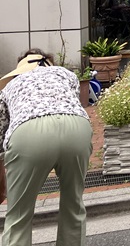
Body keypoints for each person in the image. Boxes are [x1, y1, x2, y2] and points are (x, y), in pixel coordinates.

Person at [0, 49, 93, 246]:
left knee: (18, 216)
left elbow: (2, 131)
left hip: (28, 132)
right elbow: (72, 102)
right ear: (50, 63)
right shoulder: (66, 75)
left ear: (19, 69)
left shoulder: (10, 86)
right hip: (77, 128)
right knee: (73, 205)